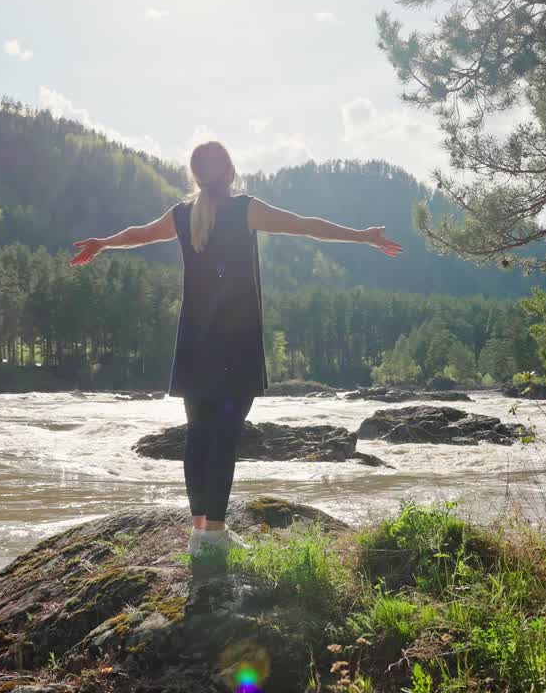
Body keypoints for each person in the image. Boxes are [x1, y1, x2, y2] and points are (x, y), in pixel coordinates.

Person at [69, 141, 401, 556]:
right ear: (229, 172)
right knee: (225, 434)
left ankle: (200, 532)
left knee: (198, 433)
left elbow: (138, 235)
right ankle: (214, 534)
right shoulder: (245, 209)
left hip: (194, 339)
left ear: (195, 176)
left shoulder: (181, 215)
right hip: (236, 340)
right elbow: (306, 225)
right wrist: (363, 236)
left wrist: (102, 243)